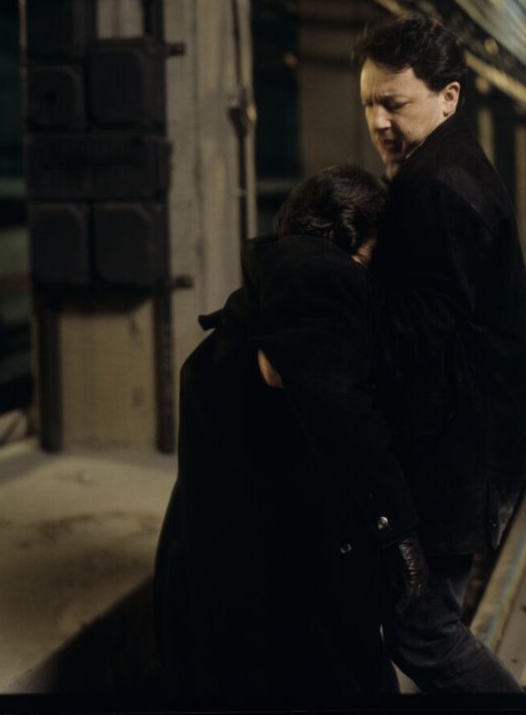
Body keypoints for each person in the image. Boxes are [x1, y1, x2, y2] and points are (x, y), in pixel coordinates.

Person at [153, 165, 429, 696]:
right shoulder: (318, 274)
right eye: (380, 247)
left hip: (221, 574)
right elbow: (342, 412)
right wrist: (398, 534)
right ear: (351, 230)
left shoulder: (268, 281)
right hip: (266, 588)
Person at [353, 15, 526, 693]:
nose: (377, 120)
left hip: (456, 451)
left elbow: (411, 337)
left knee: (424, 630)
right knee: (418, 617)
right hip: (467, 439)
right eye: (368, 101)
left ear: (448, 97)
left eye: (393, 103)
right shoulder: (444, 165)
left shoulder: (437, 187)